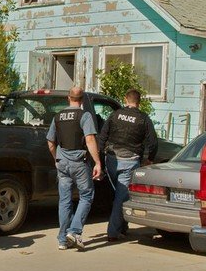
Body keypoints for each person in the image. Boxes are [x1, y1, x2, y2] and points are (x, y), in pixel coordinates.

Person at [47, 86, 101, 251]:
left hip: (62, 162)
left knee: (65, 200)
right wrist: (97, 162)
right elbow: (90, 139)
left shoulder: (57, 117)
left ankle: (62, 240)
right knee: (86, 195)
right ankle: (74, 231)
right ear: (82, 100)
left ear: (68, 98)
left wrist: (57, 158)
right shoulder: (84, 115)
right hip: (79, 162)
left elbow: (50, 142)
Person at [99, 88, 158, 241]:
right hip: (130, 161)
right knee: (121, 196)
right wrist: (149, 159)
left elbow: (102, 136)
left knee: (120, 194)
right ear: (139, 102)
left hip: (111, 159)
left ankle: (122, 227)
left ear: (126, 99)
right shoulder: (143, 118)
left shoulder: (115, 114)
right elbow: (153, 143)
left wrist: (99, 159)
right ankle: (113, 232)